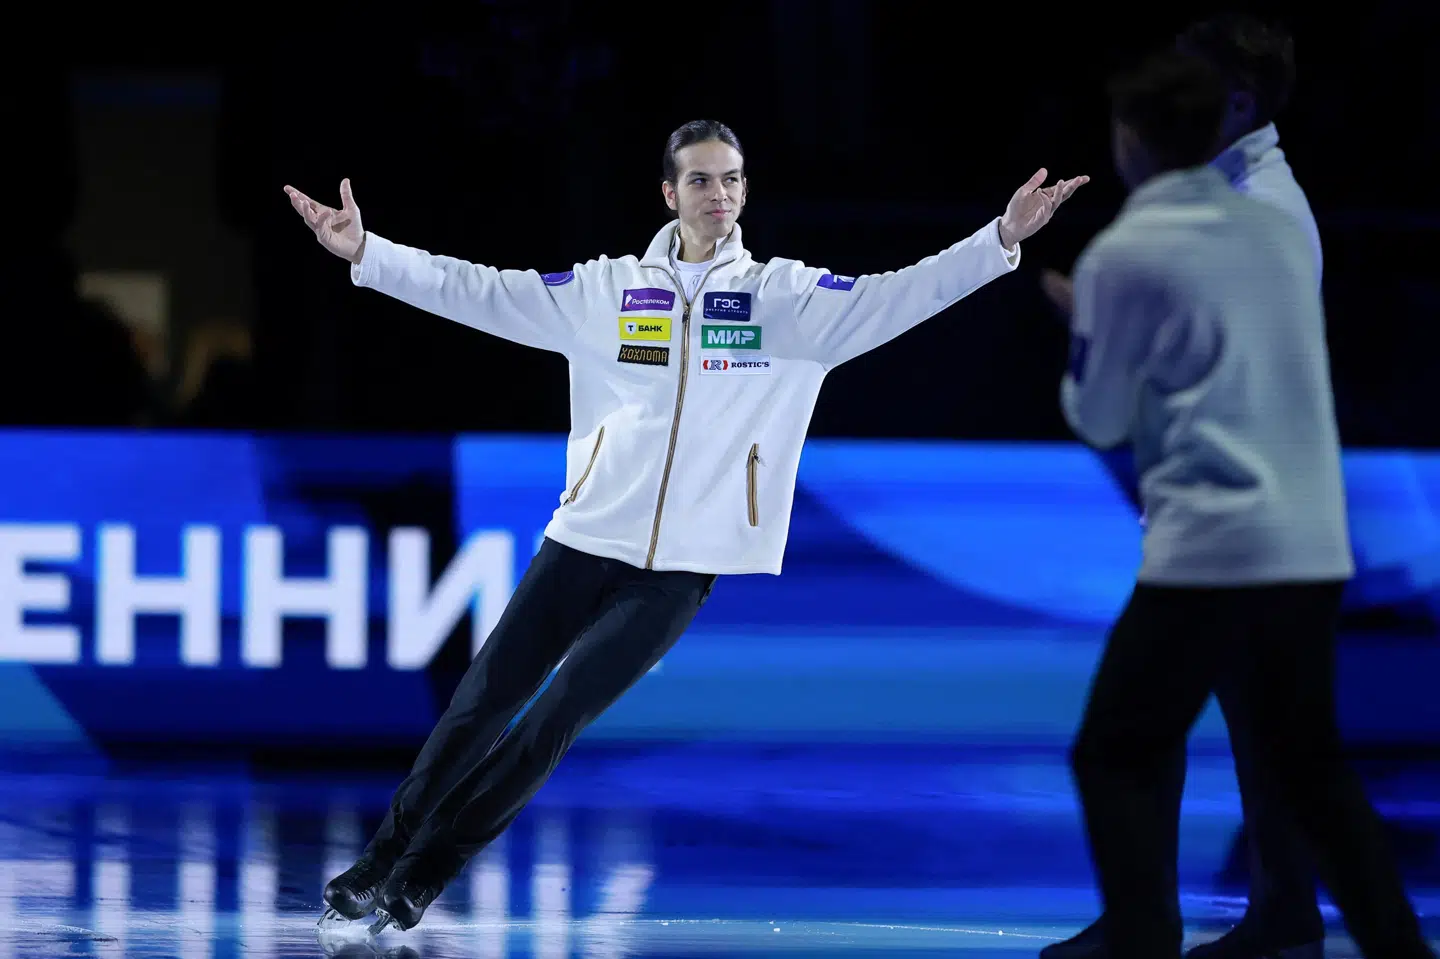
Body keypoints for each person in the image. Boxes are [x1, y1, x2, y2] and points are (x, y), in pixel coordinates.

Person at [286, 119, 1087, 933]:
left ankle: (424, 875)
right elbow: (486, 291)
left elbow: (897, 293)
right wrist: (368, 254)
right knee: (479, 706)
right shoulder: (606, 290)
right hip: (584, 538)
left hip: (681, 567)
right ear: (669, 194)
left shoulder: (785, 300)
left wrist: (999, 240)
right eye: (701, 180)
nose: (721, 195)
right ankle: (377, 863)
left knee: (553, 720)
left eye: (733, 179)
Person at [1054, 49, 1435, 959]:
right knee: (1307, 765)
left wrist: (1089, 330)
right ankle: (1382, 944)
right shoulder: (1274, 224)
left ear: (1135, 143)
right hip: (1307, 540)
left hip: (1214, 541)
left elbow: (1097, 414)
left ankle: (1142, 934)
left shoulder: (1130, 248)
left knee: (1115, 749)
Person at [1038, 15, 1334, 959]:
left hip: (1231, 518)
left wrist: (1103, 324)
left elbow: (1208, 373)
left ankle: (1148, 925)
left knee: (1137, 732)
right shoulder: (1232, 204)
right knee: (1251, 723)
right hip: (1247, 515)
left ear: (1238, 103)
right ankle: (1272, 913)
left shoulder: (1264, 214)